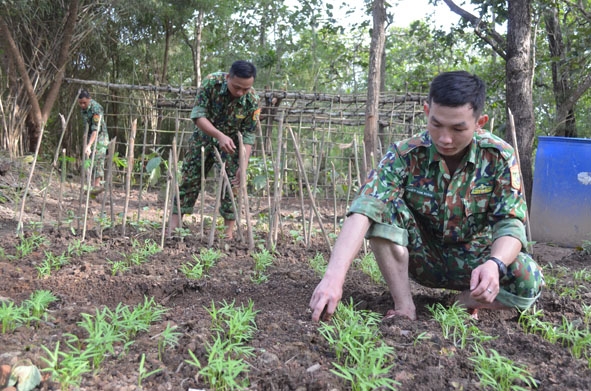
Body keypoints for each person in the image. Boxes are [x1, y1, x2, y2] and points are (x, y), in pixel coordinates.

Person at [309, 70, 544, 322]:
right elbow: (365, 207)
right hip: (420, 258)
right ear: (426, 112)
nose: (445, 138)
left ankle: (463, 301)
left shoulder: (498, 157)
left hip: (476, 264)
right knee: (382, 207)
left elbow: (510, 223)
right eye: (436, 124)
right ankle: (404, 307)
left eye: (458, 128)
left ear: (479, 122)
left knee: (528, 277)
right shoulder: (404, 155)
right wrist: (333, 277)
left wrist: (494, 265)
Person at [169, 60, 261, 239]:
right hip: (203, 138)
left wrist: (244, 163)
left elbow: (249, 135)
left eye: (246, 89)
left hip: (232, 145)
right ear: (228, 78)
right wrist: (219, 135)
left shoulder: (252, 101)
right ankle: (173, 230)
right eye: (237, 87)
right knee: (189, 180)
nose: (241, 92)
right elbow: (198, 115)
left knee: (232, 185)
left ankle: (227, 235)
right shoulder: (211, 83)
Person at [78, 90, 109, 190]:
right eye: (80, 103)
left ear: (89, 99)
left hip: (100, 137)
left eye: (84, 103)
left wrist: (89, 145)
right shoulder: (83, 109)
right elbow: (86, 125)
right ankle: (90, 185)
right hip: (91, 135)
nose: (82, 105)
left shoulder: (96, 109)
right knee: (90, 160)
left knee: (98, 159)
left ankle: (96, 186)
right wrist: (85, 137)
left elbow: (96, 129)